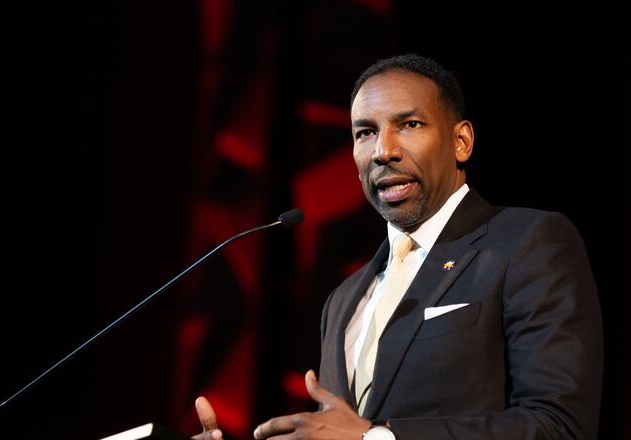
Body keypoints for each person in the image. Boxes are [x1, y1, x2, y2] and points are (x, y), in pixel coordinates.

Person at [193, 54, 603, 440]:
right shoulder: (343, 299)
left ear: (461, 141)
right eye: (365, 132)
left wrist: (377, 437)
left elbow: (558, 425)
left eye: (409, 124)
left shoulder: (527, 242)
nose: (383, 151)